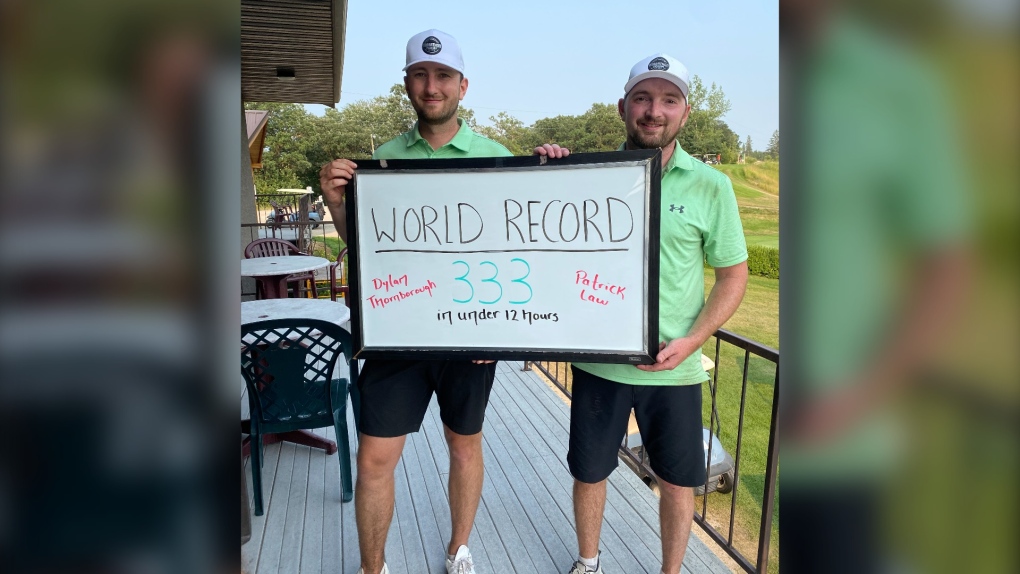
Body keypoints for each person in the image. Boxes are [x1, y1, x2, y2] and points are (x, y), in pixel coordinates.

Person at [318, 29, 567, 574]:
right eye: (420, 75)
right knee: (376, 457)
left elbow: (526, 251)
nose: (432, 87)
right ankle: (372, 568)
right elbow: (368, 251)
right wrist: (338, 204)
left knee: (463, 444)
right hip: (397, 331)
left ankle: (459, 548)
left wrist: (555, 171)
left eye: (443, 77)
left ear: (462, 86)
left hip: (469, 337)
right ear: (407, 83)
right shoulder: (382, 161)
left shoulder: (499, 158)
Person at [565, 53, 748, 574]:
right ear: (624, 106)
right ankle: (589, 561)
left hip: (676, 366)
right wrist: (546, 167)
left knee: (677, 480)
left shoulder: (712, 186)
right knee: (590, 471)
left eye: (668, 100)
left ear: (685, 113)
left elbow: (733, 275)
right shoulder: (589, 173)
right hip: (599, 361)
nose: (653, 110)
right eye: (643, 98)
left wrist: (693, 341)